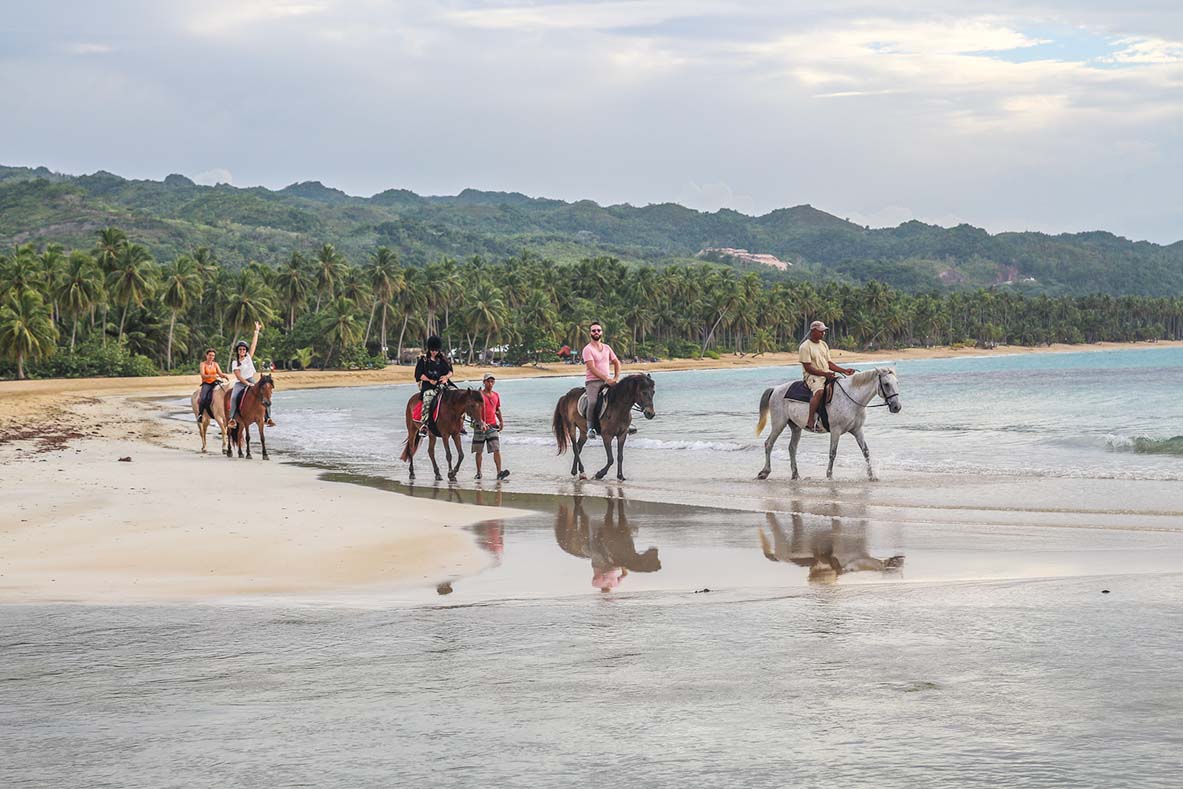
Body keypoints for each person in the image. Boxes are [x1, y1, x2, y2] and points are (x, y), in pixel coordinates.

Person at [800, 320, 856, 432]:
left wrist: (844, 371)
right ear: (813, 331)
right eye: (821, 331)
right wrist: (825, 374)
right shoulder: (805, 346)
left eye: (824, 331)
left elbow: (829, 364)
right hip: (812, 376)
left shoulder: (824, 345)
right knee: (820, 392)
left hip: (825, 374)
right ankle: (810, 420)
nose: (823, 334)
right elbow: (807, 367)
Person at [228, 322, 275, 428]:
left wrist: (256, 331)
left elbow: (254, 344)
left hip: (251, 379)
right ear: (237, 351)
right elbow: (238, 376)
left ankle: (268, 418)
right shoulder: (235, 362)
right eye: (240, 349)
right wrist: (247, 384)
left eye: (244, 349)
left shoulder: (248, 357)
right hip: (241, 382)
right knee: (234, 397)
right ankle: (232, 419)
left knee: (265, 393)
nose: (242, 351)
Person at [582, 321, 620, 438]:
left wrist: (616, 378)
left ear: (601, 332)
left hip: (607, 380)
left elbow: (616, 362)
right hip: (592, 381)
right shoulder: (587, 349)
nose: (596, 332)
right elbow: (591, 368)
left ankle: (624, 424)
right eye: (594, 330)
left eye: (598, 330)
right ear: (590, 333)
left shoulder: (607, 348)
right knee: (592, 402)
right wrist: (606, 378)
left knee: (623, 396)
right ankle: (590, 428)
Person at [414, 335, 453, 436]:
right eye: (432, 350)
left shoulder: (444, 360)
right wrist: (429, 380)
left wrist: (446, 377)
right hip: (429, 385)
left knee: (458, 395)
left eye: (436, 350)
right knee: (428, 398)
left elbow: (450, 371)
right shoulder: (423, 360)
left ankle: (459, 423)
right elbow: (418, 375)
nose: (434, 352)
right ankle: (425, 424)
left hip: (443, 384)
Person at [473, 373, 509, 480]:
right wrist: (480, 422)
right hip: (480, 426)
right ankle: (479, 472)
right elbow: (475, 410)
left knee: (496, 449)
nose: (490, 383)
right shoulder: (479, 395)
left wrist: (501, 421)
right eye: (488, 381)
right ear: (484, 382)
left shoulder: (496, 395)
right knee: (479, 451)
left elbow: (497, 410)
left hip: (492, 425)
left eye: (492, 381)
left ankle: (499, 472)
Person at [197, 348, 230, 423]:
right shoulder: (203, 364)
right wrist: (211, 376)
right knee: (203, 398)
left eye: (213, 356)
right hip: (207, 383)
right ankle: (200, 414)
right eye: (210, 355)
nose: (211, 357)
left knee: (224, 393)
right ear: (206, 355)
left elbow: (220, 374)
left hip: (215, 382)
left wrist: (224, 376)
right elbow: (203, 375)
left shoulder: (215, 364)